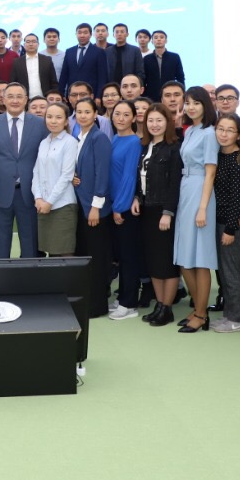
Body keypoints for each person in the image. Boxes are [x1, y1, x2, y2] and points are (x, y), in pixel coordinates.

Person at [0, 82, 48, 258]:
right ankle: (1, 276)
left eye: (19, 97)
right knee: (0, 245)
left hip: (30, 193)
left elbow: (47, 158)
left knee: (30, 245)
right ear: (3, 99)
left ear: (26, 100)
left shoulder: (40, 124)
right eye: (10, 96)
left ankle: (29, 275)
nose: (15, 101)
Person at [170, 86, 218, 331]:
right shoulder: (190, 131)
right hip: (186, 188)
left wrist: (202, 208)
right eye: (187, 102)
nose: (190, 107)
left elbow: (210, 173)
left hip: (201, 190)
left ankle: (201, 313)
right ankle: (199, 308)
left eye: (196, 103)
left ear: (205, 105)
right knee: (184, 255)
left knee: (200, 257)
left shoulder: (209, 133)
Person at [131, 104, 182, 326]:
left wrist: (168, 212)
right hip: (146, 211)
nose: (154, 124)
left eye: (159, 120)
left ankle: (167, 308)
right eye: (150, 120)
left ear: (167, 122)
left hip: (163, 211)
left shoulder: (174, 148)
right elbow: (138, 178)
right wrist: (136, 197)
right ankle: (159, 305)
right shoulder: (144, 147)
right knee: (153, 261)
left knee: (166, 262)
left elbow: (175, 184)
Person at [72, 99, 113, 318]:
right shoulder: (79, 137)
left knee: (96, 258)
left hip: (95, 208)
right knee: (85, 255)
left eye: (87, 112)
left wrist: (96, 206)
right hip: (82, 205)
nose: (83, 115)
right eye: (79, 112)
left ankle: (97, 306)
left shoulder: (99, 138)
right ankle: (87, 302)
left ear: (95, 114)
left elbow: (102, 174)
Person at [210, 114, 240, 333]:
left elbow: (237, 198)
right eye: (220, 129)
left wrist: (230, 229)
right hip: (216, 221)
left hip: (230, 225)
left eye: (230, 130)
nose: (224, 134)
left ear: (239, 134)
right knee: (223, 271)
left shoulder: (237, 160)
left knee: (232, 271)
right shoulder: (216, 156)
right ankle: (229, 314)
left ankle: (237, 319)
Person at [106, 101, 144, 319]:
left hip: (124, 208)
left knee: (129, 257)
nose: (120, 118)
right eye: (117, 114)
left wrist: (119, 207)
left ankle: (129, 304)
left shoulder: (133, 142)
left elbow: (129, 177)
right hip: (114, 205)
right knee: (121, 255)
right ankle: (123, 297)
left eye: (126, 114)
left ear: (134, 118)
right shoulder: (114, 139)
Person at [33, 103, 79, 257]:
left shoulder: (70, 142)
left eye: (58, 117)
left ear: (66, 121)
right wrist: (38, 198)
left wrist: (49, 202)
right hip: (43, 205)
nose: (53, 121)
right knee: (51, 252)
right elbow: (36, 172)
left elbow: (66, 176)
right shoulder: (43, 142)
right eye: (49, 117)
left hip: (62, 205)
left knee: (65, 252)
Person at [60, 22, 108, 99]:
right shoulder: (69, 51)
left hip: (91, 94)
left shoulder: (99, 52)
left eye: (85, 33)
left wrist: (99, 96)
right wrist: (61, 94)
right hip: (72, 94)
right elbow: (64, 74)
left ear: (90, 34)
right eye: (79, 33)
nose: (82, 35)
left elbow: (102, 76)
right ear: (76, 34)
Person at [141, 30, 184, 100]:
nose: (158, 39)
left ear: (166, 41)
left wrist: (182, 92)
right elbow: (143, 79)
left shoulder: (174, 57)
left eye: (161, 37)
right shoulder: (147, 59)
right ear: (152, 41)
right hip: (151, 95)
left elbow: (180, 77)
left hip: (170, 94)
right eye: (156, 38)